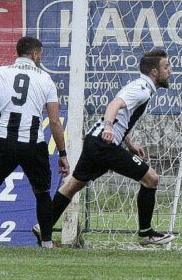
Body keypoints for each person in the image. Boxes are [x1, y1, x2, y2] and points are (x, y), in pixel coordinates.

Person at [48, 50, 175, 246]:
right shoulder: (141, 89)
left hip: (94, 140)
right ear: (154, 72)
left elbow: (122, 118)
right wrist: (108, 128)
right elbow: (113, 105)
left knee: (73, 186)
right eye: (166, 67)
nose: (170, 71)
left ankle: (43, 227)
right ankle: (146, 233)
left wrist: (130, 144)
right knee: (151, 178)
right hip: (103, 144)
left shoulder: (140, 86)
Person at [0, 36, 69, 248]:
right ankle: (47, 243)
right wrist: (62, 153)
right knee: (42, 193)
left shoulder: (0, 72)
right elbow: (54, 121)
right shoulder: (45, 79)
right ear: (34, 54)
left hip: (4, 141)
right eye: (40, 55)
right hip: (33, 144)